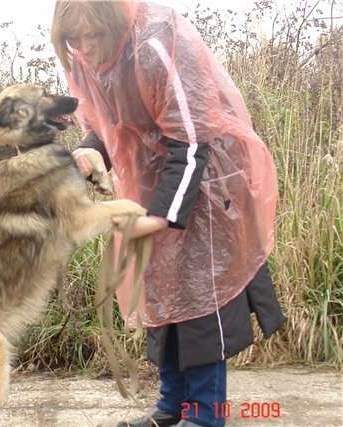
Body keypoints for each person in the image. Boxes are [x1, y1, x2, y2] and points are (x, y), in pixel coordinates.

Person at [50, 2, 286, 427]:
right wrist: (89, 150)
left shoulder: (156, 41)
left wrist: (159, 219)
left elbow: (193, 141)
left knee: (199, 300)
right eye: (74, 39)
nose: (85, 48)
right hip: (152, 179)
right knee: (162, 298)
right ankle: (170, 408)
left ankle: (204, 415)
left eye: (93, 36)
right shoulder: (84, 61)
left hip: (208, 183)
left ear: (112, 20)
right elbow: (107, 124)